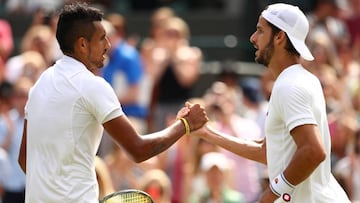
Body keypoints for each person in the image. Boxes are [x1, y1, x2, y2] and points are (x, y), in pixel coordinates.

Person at [17, 3, 208, 203]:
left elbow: (24, 160)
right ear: (82, 44)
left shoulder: (39, 85)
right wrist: (185, 124)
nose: (108, 45)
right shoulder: (92, 86)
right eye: (102, 38)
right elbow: (138, 149)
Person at [190, 3, 350, 203]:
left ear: (279, 37)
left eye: (260, 31)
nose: (253, 38)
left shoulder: (289, 86)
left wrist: (272, 194)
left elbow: (313, 150)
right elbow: (269, 152)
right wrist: (208, 133)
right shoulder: (300, 80)